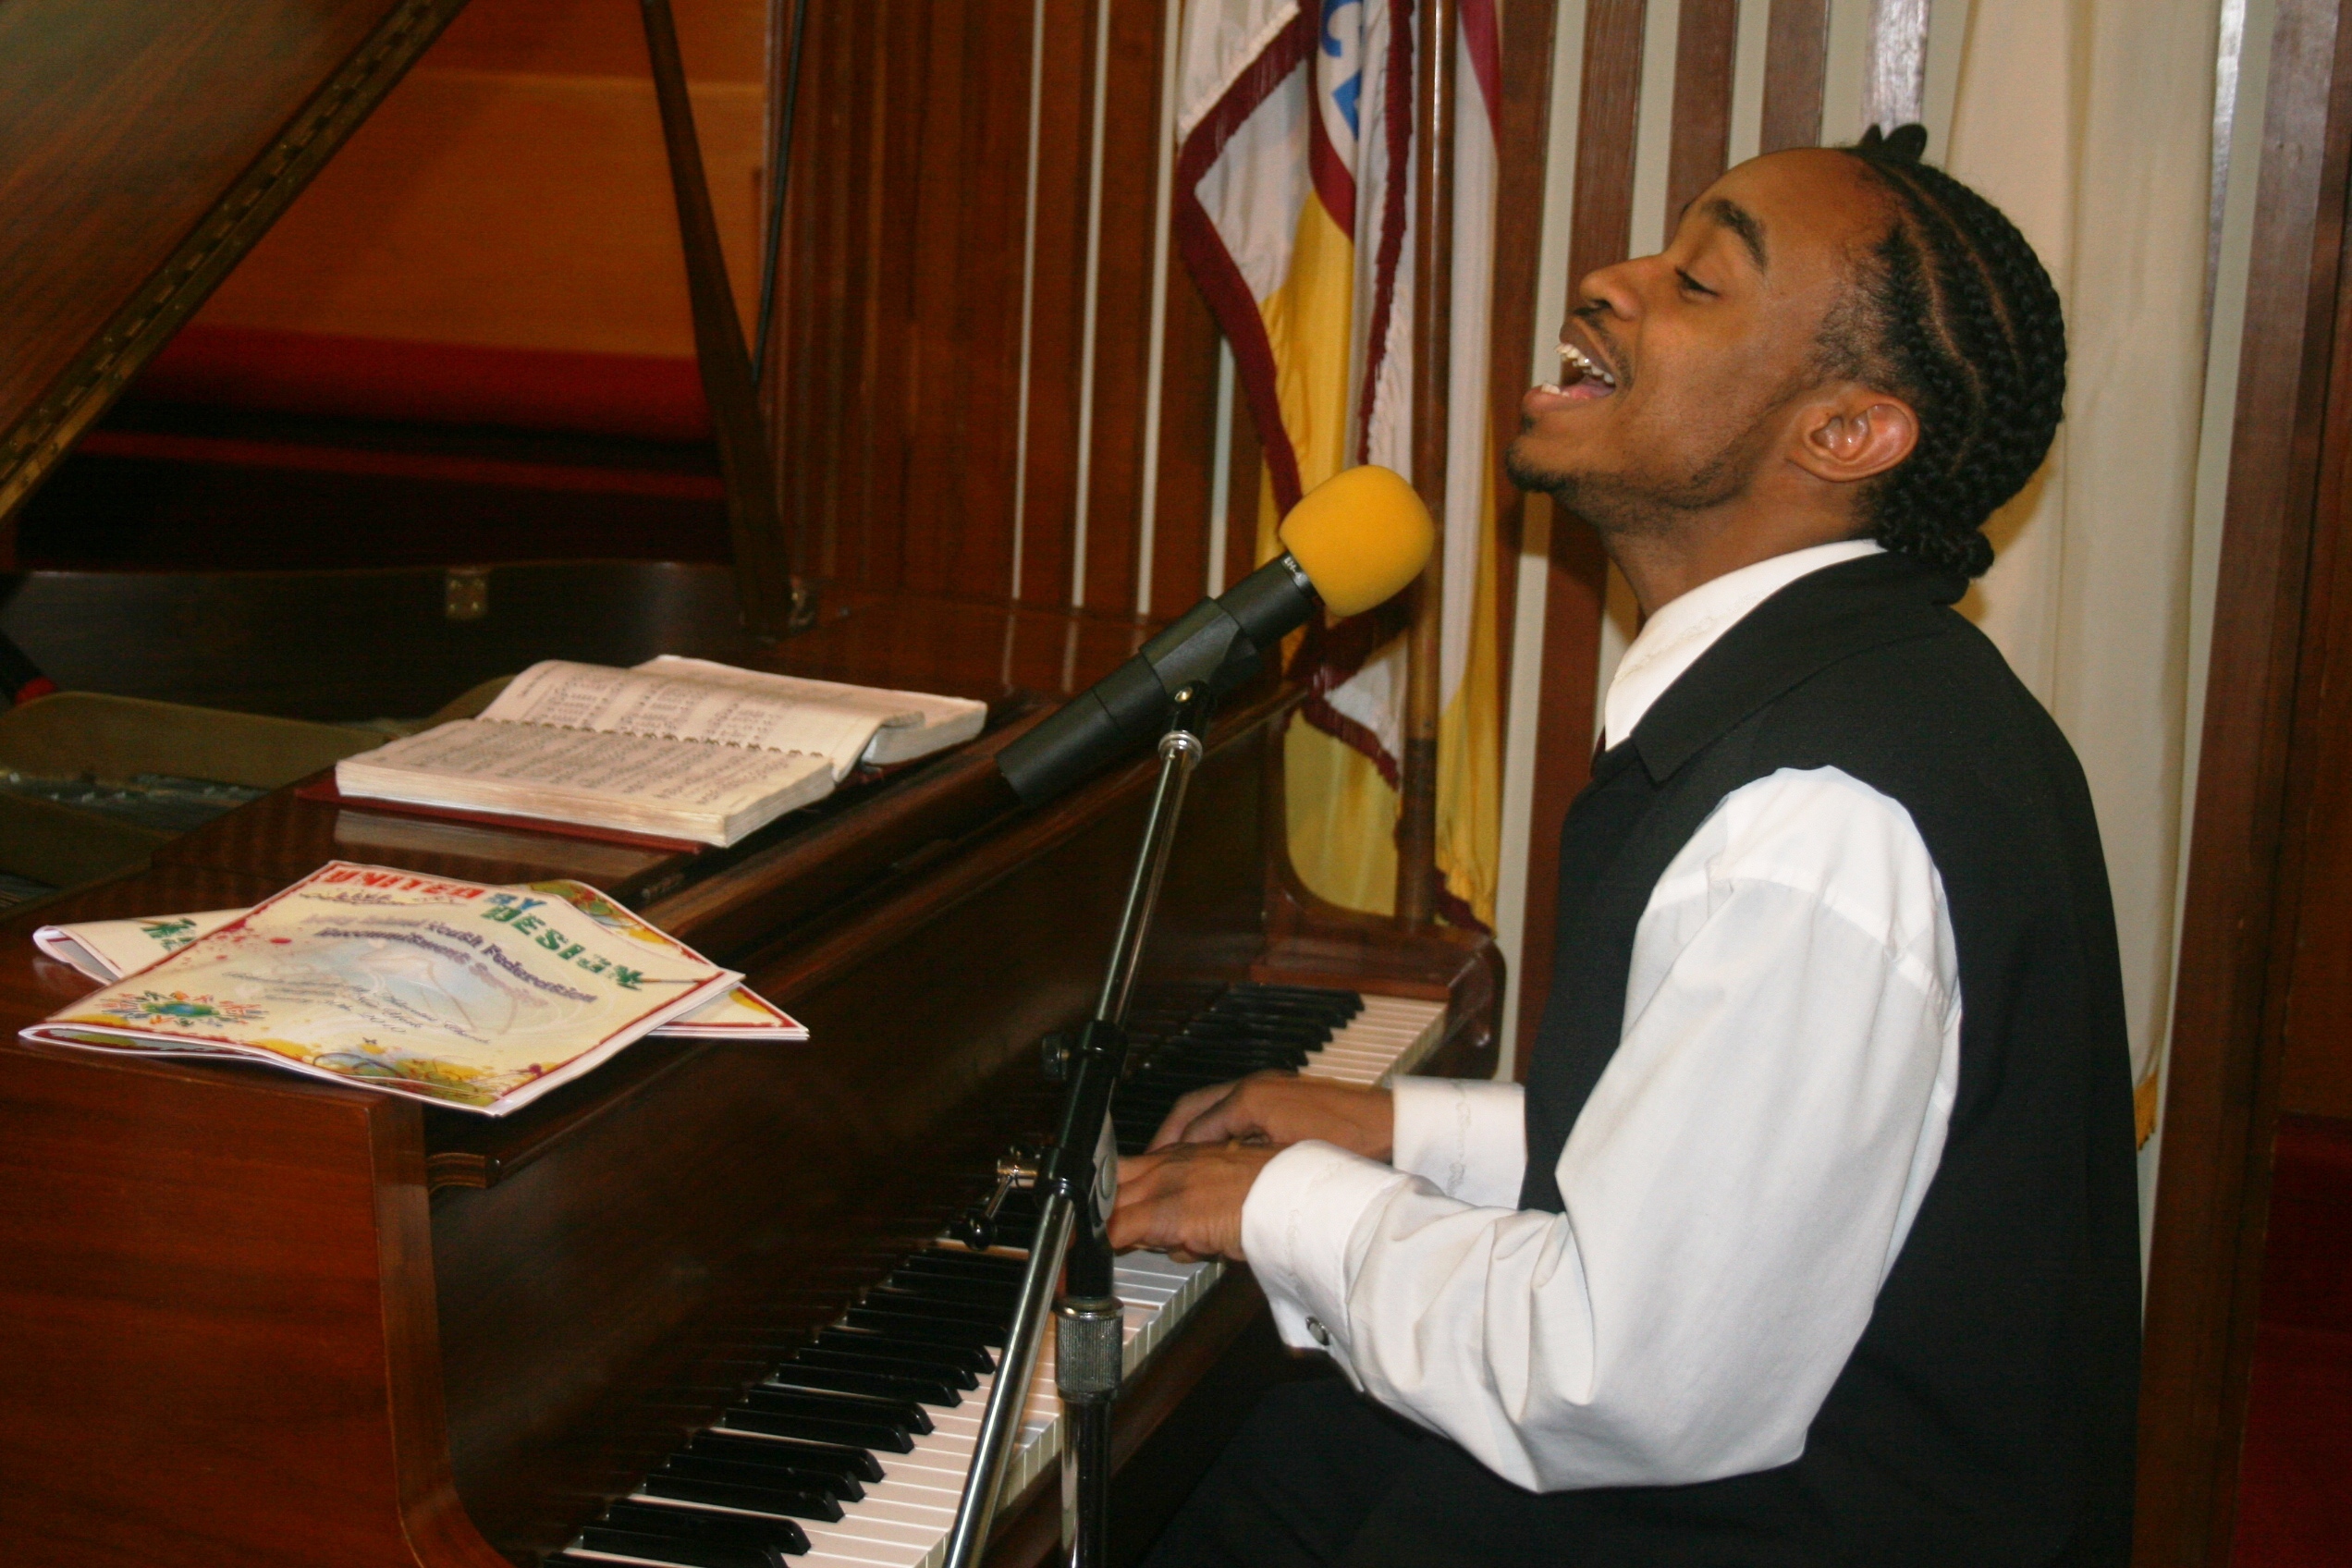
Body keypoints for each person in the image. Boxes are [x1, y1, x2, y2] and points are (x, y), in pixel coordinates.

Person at [1109, 126, 2141, 1566]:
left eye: (1699, 280)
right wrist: (1406, 1132)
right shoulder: (1865, 695)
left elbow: (1618, 1376)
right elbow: (1738, 1156)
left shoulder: (1817, 819)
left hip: (1791, 1527)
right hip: (1755, 1480)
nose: (1610, 279)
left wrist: (1277, 1203)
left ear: (1844, 433)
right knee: (1263, 1464)